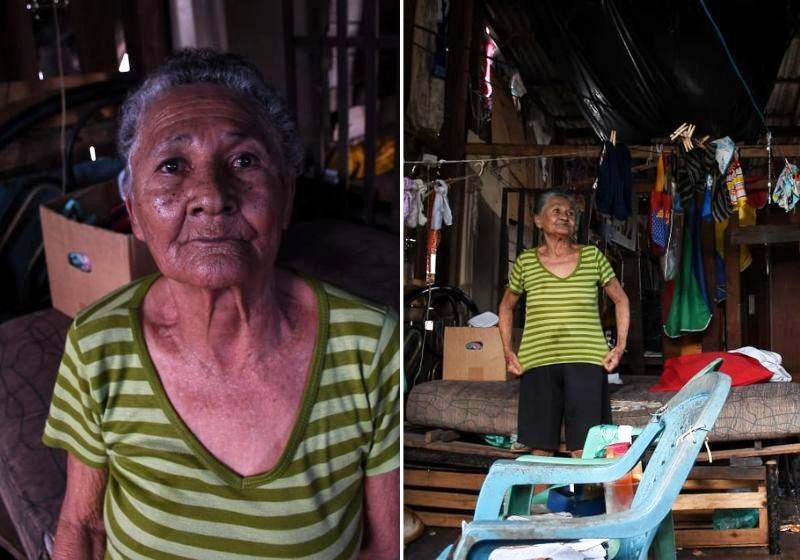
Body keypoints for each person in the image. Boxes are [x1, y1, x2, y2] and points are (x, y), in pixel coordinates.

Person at [42, 49, 399, 560]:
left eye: (243, 161)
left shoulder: (371, 347)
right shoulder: (97, 344)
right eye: (172, 166)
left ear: (286, 197)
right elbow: (84, 526)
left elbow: (385, 547)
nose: (211, 195)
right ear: (135, 213)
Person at [498, 190, 629, 456]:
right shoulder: (526, 262)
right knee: (540, 448)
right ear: (538, 220)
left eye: (570, 213)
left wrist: (619, 347)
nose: (565, 217)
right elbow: (506, 306)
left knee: (587, 448)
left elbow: (621, 299)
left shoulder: (592, 256)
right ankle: (541, 487)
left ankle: (586, 485)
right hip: (538, 361)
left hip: (587, 360)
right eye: (556, 211)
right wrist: (508, 351)